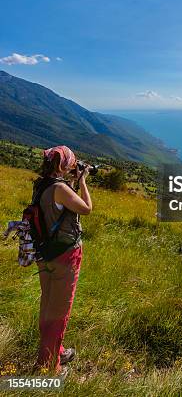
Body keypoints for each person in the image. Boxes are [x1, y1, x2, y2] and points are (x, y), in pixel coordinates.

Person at [33, 145, 93, 374]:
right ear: (62, 165)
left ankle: (55, 351)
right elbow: (86, 208)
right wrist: (83, 182)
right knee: (60, 313)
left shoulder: (41, 185)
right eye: (70, 163)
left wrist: (74, 182)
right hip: (64, 255)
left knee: (48, 305)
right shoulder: (60, 188)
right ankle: (49, 368)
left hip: (45, 253)